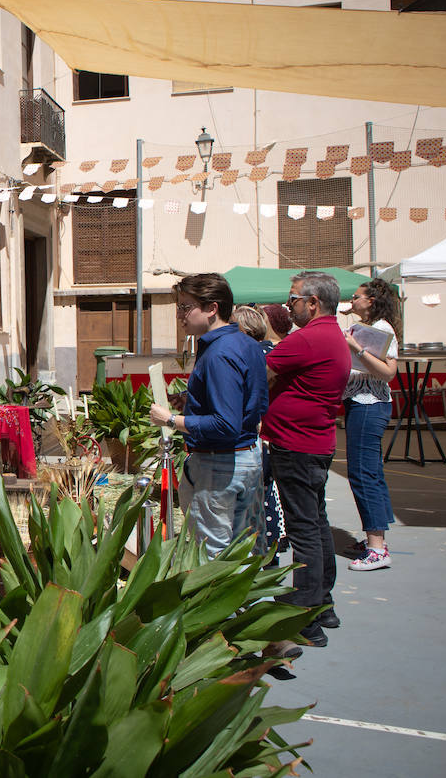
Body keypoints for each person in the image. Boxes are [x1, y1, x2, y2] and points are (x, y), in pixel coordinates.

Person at [262, 271, 352, 650]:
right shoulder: (331, 335)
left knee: (304, 529)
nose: (289, 305)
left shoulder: (310, 338)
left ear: (313, 302)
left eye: (293, 300)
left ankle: (306, 611)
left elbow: (260, 371)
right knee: (315, 525)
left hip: (297, 446)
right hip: (312, 443)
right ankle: (322, 603)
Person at [150, 273, 268, 557]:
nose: (180, 315)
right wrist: (193, 401)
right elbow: (247, 404)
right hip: (246, 456)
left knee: (214, 556)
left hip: (220, 465)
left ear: (212, 308)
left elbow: (225, 424)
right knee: (245, 553)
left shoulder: (219, 353)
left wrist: (170, 420)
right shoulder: (247, 344)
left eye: (185, 307)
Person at [341, 279, 400, 572]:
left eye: (357, 297)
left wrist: (357, 349)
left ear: (372, 301)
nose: (352, 301)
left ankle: (377, 547)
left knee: (363, 473)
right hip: (359, 403)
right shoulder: (361, 327)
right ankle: (376, 539)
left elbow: (388, 372)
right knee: (369, 471)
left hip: (370, 404)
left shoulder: (382, 330)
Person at [232, 305, 287, 559]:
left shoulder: (255, 354)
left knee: (258, 494)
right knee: (268, 491)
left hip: (258, 432)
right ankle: (274, 542)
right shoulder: (271, 351)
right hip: (272, 429)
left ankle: (264, 551)